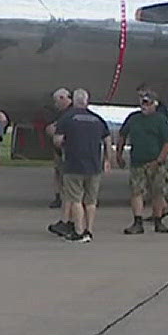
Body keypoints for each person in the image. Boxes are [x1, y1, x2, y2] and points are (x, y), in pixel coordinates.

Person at [50, 88, 111, 243]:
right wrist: (107, 159)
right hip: (94, 165)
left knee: (75, 199)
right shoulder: (97, 119)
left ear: (74, 100)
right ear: (87, 101)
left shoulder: (67, 118)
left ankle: (79, 230)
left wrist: (63, 145)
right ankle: (89, 230)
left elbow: (57, 139)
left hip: (74, 164)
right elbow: (107, 139)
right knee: (91, 201)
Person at [119, 89, 168, 234]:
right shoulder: (133, 118)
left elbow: (167, 142)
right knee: (136, 192)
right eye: (142, 103)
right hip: (137, 162)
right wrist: (118, 154)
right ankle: (137, 221)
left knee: (157, 192)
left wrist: (159, 160)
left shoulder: (161, 120)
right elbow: (122, 135)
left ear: (155, 104)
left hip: (155, 163)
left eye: (147, 103)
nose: (144, 106)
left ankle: (158, 220)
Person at [45, 87, 72, 208]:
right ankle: (58, 196)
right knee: (58, 172)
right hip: (59, 150)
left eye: (57, 101)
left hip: (70, 149)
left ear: (63, 98)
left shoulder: (72, 111)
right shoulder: (59, 113)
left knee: (69, 175)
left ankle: (69, 198)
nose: (56, 105)